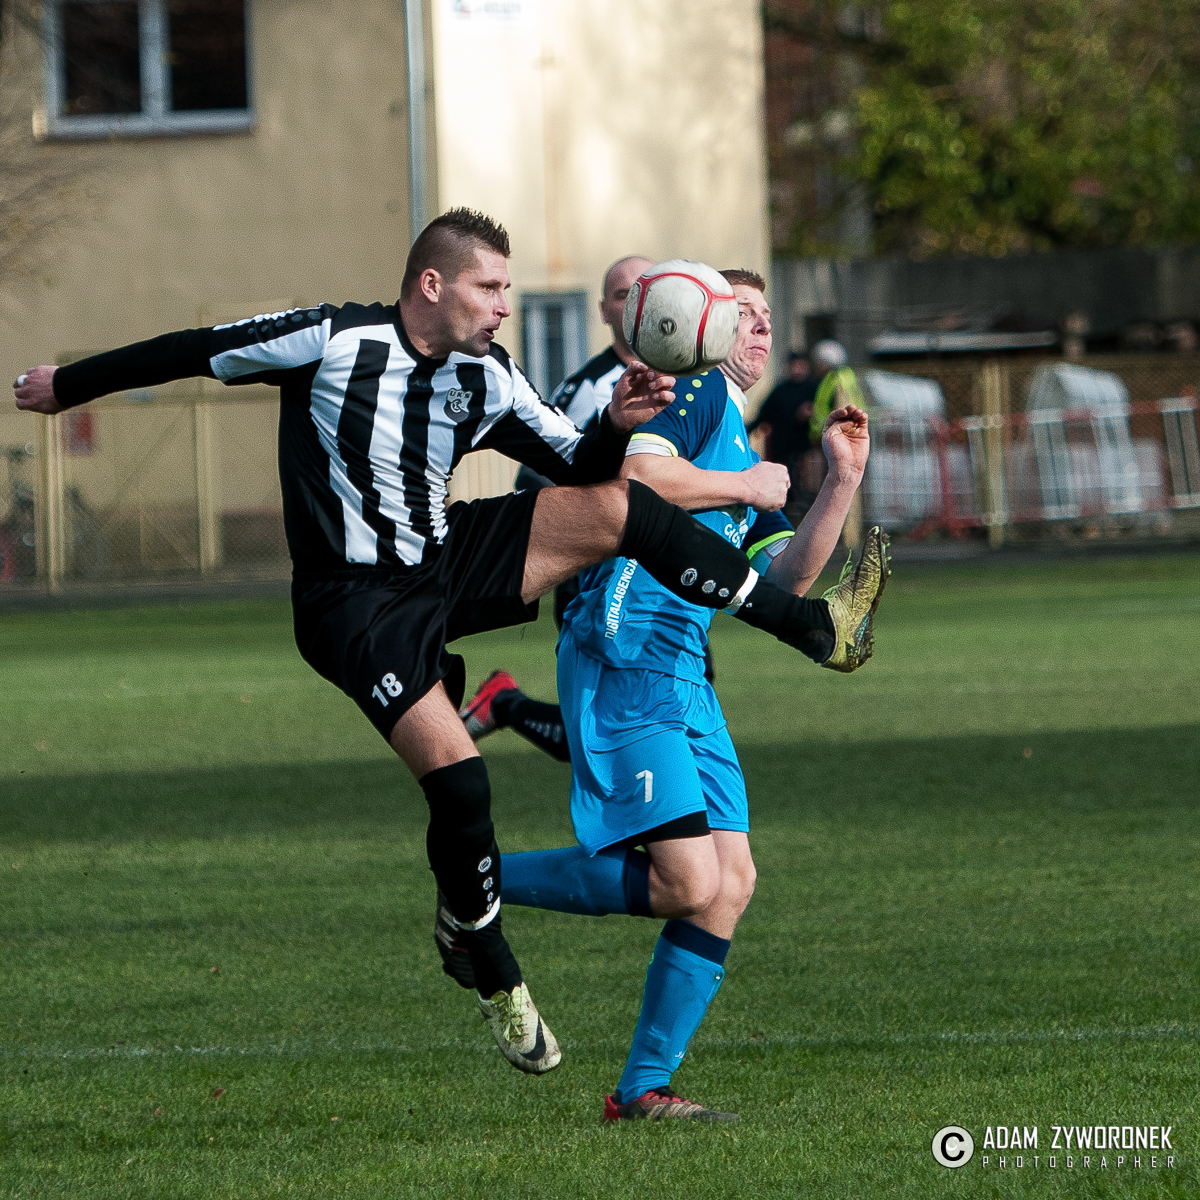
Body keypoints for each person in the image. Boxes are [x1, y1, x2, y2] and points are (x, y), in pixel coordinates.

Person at [12, 210, 885, 1080]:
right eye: (490, 288)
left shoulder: (487, 375)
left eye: (507, 288)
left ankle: (809, 627)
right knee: (463, 782)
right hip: (355, 605)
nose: (504, 305)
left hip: (445, 559)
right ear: (432, 285)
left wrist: (617, 423)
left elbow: (584, 467)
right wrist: (68, 385)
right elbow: (194, 349)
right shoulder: (332, 340)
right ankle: (491, 964)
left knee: (622, 509)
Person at [440, 269, 888, 1121]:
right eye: (744, 315)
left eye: (767, 316)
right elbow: (637, 483)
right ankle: (472, 886)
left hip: (684, 672)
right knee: (688, 882)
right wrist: (747, 486)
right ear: (704, 327)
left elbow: (786, 581)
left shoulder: (734, 434)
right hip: (624, 654)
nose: (761, 330)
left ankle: (642, 1090)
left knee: (730, 881)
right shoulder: (694, 394)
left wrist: (839, 481)